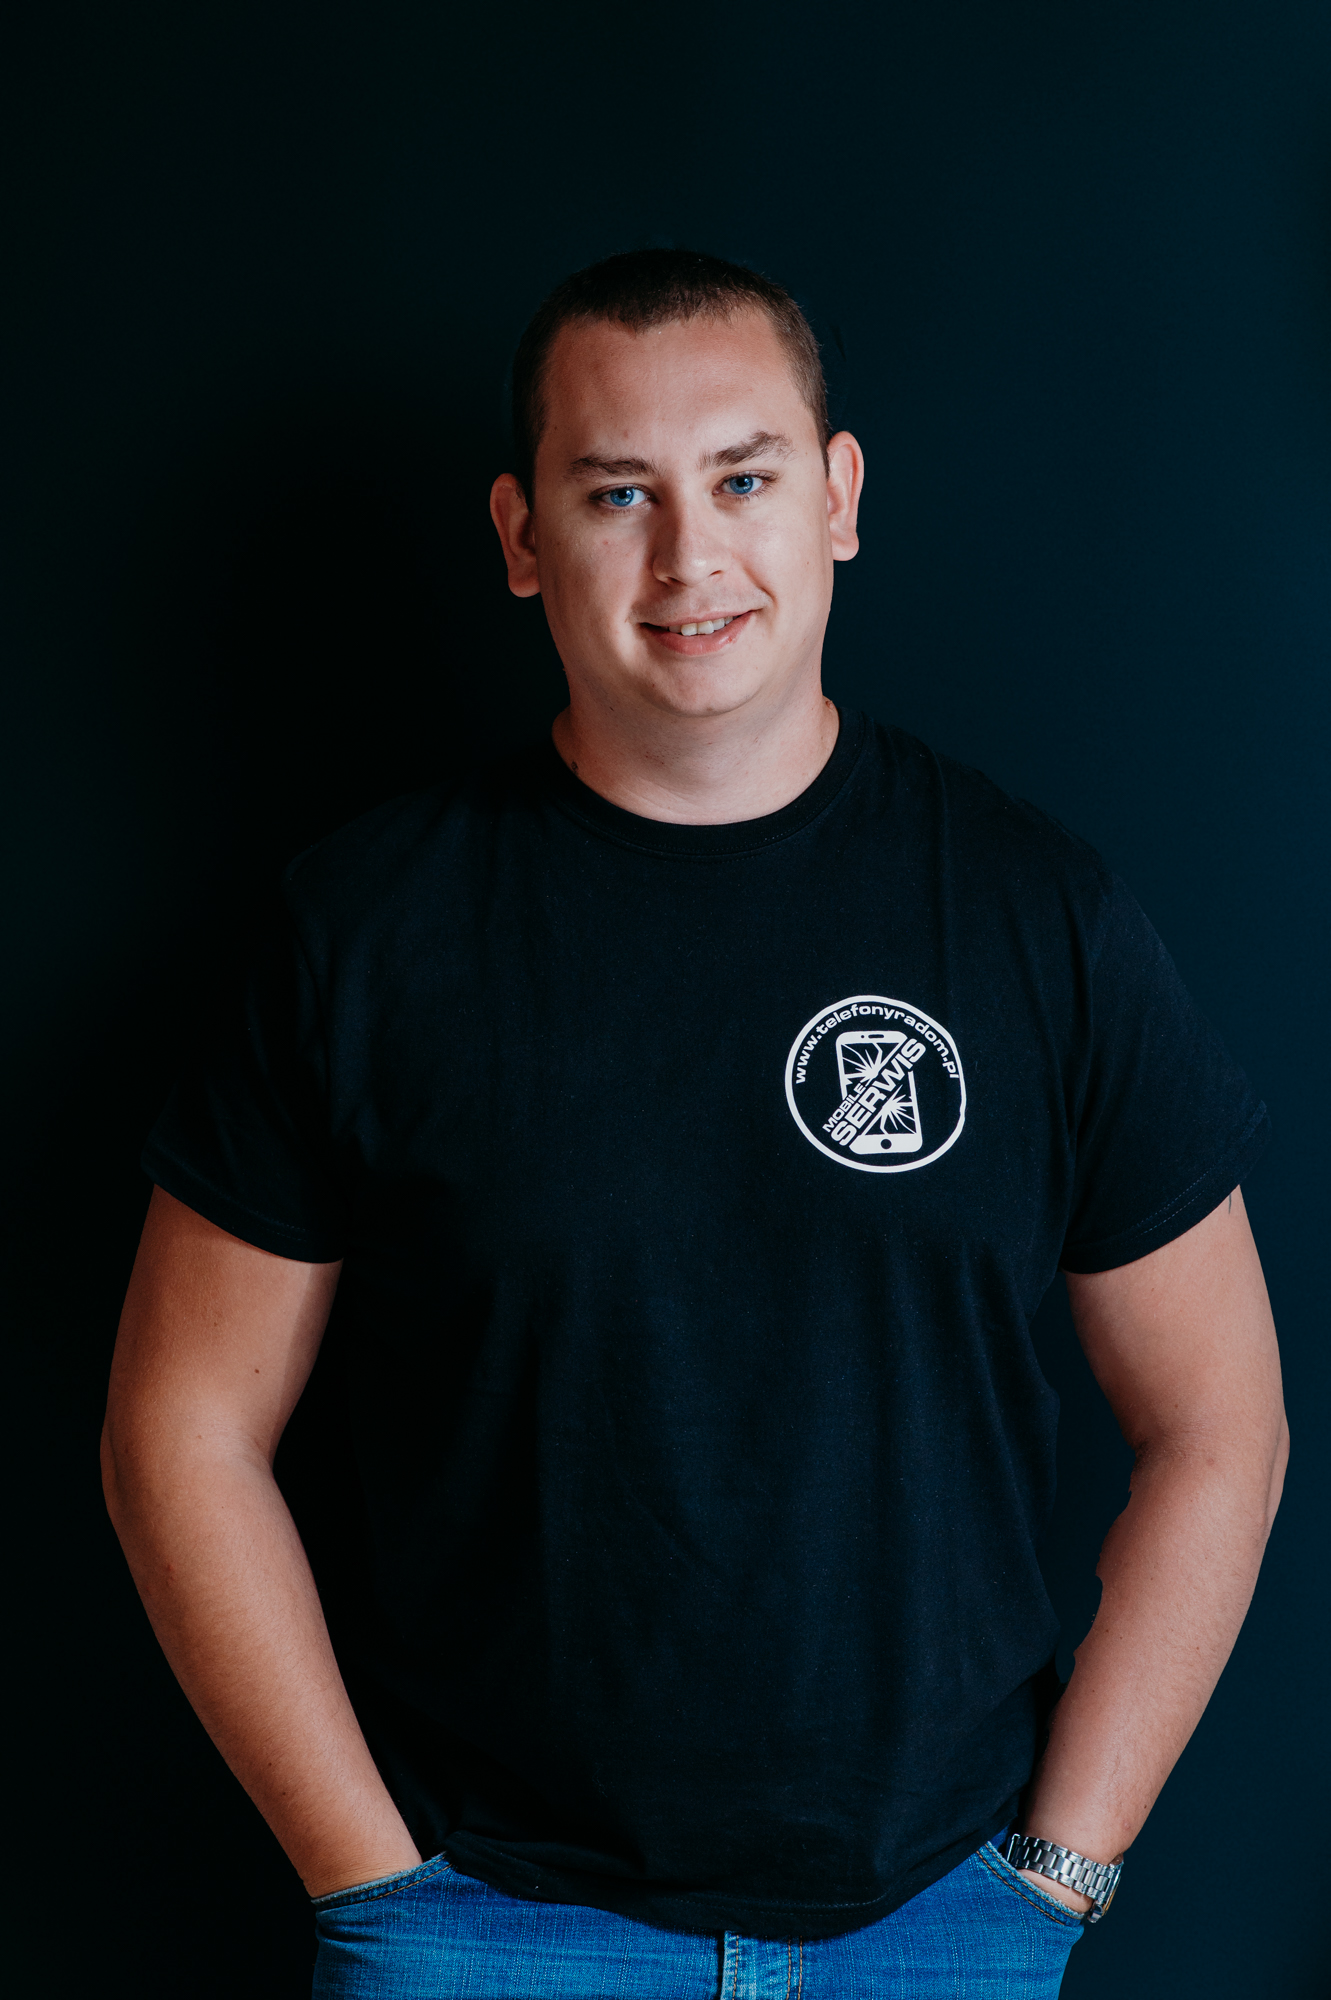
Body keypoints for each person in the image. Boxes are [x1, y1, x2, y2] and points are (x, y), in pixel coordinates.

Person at [102, 249, 1287, 2000]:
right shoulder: (367, 935)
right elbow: (181, 1426)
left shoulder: (1040, 919)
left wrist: (1051, 1880)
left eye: (740, 477)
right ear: (522, 537)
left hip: (936, 1932)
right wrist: (382, 1896)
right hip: (496, 1929)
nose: (689, 556)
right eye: (615, 495)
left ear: (839, 497)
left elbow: (1219, 1421)